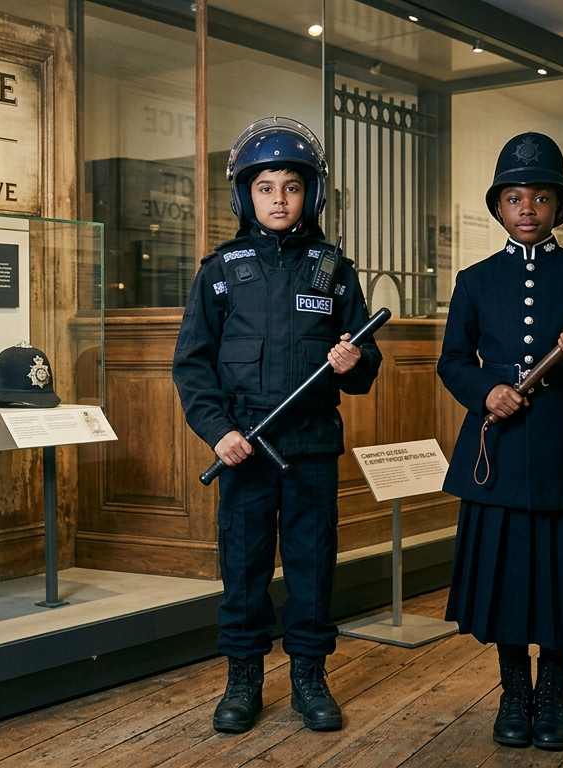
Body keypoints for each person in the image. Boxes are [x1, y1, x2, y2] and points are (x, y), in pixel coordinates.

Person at [172, 117, 381, 735]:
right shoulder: (219, 271)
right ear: (245, 196)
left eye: (292, 186)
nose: (279, 199)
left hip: (311, 448)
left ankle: (310, 679)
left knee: (314, 565)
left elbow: (365, 368)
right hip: (243, 450)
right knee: (244, 567)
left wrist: (352, 362)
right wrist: (217, 433)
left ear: (311, 194)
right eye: (266, 187)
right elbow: (192, 366)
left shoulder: (335, 270)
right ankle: (242, 678)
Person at [438, 132, 563, 752]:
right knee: (507, 575)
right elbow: (452, 361)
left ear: (558, 208)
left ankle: (553, 691)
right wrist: (486, 392)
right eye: (515, 197)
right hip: (498, 446)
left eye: (540, 197)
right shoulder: (473, 280)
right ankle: (512, 690)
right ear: (499, 207)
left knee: (561, 574)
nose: (527, 208)